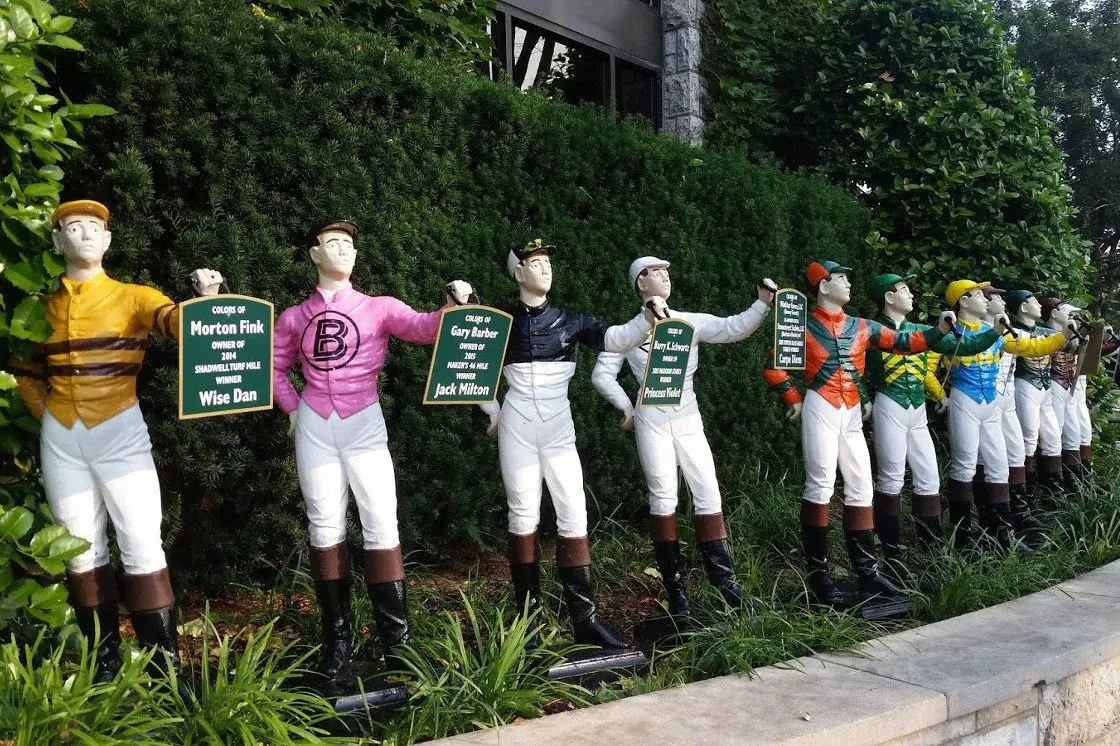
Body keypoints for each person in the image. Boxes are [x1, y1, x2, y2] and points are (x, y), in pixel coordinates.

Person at [10, 200, 225, 681]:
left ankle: (163, 670)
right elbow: (24, 372)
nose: (84, 233)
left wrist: (207, 301)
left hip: (120, 430)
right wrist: (50, 418)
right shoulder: (41, 307)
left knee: (142, 542)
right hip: (63, 438)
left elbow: (180, 325)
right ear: (57, 240)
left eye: (94, 227)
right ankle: (102, 665)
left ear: (108, 240)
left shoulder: (135, 297)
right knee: (80, 550)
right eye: (73, 227)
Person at [272, 219, 474, 693]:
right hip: (317, 424)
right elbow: (275, 366)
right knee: (324, 526)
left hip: (364, 419)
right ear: (313, 256)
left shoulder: (378, 308)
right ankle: (336, 644)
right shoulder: (294, 317)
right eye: (331, 243)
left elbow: (423, 328)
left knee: (382, 522)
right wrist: (293, 408)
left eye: (349, 244)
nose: (342, 250)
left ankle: (397, 643)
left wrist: (452, 307)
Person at [479, 239, 664, 649]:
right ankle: (527, 625)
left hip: (558, 424)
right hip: (518, 423)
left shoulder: (570, 320)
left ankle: (585, 620)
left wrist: (645, 318)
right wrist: (489, 406)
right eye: (535, 263)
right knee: (522, 515)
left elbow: (615, 339)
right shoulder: (500, 320)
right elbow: (470, 360)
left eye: (547, 262)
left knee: (573, 511)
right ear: (518, 273)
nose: (545, 268)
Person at [763, 261, 955, 607]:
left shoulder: (862, 326)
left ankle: (867, 572)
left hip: (851, 410)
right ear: (823, 286)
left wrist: (939, 329)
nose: (848, 283)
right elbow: (773, 364)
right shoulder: (803, 326)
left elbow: (904, 342)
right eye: (841, 278)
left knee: (862, 485)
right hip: (820, 405)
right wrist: (793, 397)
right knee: (820, 483)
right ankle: (818, 575)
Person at [591, 256, 774, 617]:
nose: (664, 277)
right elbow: (602, 374)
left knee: (708, 491)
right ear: (640, 283)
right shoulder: (629, 331)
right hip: (652, 418)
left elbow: (732, 327)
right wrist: (626, 406)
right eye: (655, 273)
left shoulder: (687, 321)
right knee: (663, 497)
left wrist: (762, 303)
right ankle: (677, 594)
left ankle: (726, 585)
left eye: (666, 272)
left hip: (688, 415)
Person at [863, 274, 999, 575]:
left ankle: (931, 550)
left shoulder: (923, 329)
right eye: (904, 290)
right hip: (890, 403)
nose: (911, 294)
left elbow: (962, 346)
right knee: (891, 478)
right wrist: (863, 397)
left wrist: (994, 334)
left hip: (917, 409)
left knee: (929, 477)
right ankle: (892, 557)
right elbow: (850, 365)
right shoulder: (871, 329)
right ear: (888, 297)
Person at [926, 281, 1072, 553]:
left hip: (990, 403)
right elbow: (930, 366)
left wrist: (1063, 335)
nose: (985, 299)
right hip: (964, 399)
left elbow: (1033, 347)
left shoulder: (995, 331)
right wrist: (939, 394)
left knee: (998, 466)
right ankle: (965, 539)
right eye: (978, 295)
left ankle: (1001, 533)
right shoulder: (950, 332)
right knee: (965, 466)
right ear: (964, 301)